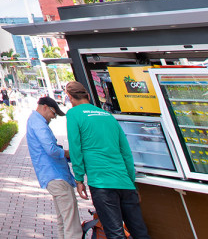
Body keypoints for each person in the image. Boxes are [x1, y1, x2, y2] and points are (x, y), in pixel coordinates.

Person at [65, 81, 151, 239]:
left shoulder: (73, 114)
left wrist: (79, 179)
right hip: (124, 182)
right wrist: (132, 183)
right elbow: (126, 152)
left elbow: (75, 148)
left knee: (115, 233)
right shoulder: (108, 116)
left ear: (70, 97)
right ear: (88, 96)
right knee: (140, 232)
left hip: (102, 184)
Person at [27, 95, 84, 239]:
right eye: (53, 113)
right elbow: (51, 149)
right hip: (56, 175)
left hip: (52, 175)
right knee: (71, 222)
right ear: (45, 107)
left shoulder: (34, 121)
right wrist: (67, 153)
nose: (53, 117)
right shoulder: (38, 124)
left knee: (63, 220)